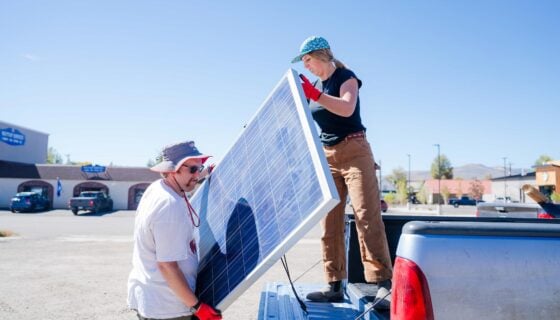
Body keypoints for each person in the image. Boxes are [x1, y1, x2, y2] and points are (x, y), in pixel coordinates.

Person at [291, 36, 393, 309]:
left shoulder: (346, 77)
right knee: (330, 222)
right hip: (328, 155)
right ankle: (333, 285)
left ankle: (383, 284)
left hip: (355, 152)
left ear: (320, 55)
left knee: (366, 216)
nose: (306, 66)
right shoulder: (314, 86)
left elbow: (347, 108)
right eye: (303, 62)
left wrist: (316, 96)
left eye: (307, 60)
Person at [127, 140, 222, 320]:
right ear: (172, 170)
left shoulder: (158, 188)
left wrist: (205, 172)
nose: (196, 174)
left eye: (199, 167)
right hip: (167, 307)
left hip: (156, 297)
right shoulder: (169, 207)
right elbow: (167, 266)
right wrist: (197, 307)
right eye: (192, 170)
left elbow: (189, 175)